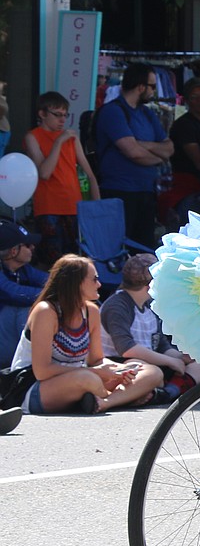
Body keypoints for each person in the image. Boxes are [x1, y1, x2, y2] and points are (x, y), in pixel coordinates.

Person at [10, 254, 163, 414]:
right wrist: (98, 372)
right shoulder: (46, 311)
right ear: (75, 283)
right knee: (88, 379)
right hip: (35, 386)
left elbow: (96, 359)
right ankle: (128, 398)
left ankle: (106, 403)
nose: (99, 284)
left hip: (83, 377)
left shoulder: (91, 311)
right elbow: (42, 371)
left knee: (150, 370)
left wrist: (119, 370)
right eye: (94, 279)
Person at [99, 253, 200, 402]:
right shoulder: (117, 305)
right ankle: (173, 390)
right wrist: (169, 361)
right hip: (123, 363)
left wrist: (181, 357)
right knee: (151, 372)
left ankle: (164, 393)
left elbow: (160, 344)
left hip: (153, 362)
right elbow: (127, 349)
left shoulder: (148, 305)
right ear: (150, 286)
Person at [94, 62, 174, 249]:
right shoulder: (113, 111)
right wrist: (158, 155)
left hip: (146, 192)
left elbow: (169, 148)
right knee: (117, 248)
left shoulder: (147, 113)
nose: (155, 91)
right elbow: (133, 152)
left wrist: (141, 143)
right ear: (140, 87)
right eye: (153, 86)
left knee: (143, 249)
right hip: (119, 192)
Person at [24, 91, 101, 265]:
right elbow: (45, 172)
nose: (62, 120)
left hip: (73, 206)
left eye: (65, 115)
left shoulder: (71, 138)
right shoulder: (33, 136)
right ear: (42, 114)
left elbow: (89, 174)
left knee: (74, 261)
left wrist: (97, 206)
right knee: (53, 263)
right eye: (57, 115)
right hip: (48, 206)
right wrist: (58, 142)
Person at [1, 222, 49, 366]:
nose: (33, 247)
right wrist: (55, 294)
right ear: (13, 251)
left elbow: (50, 280)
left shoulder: (23, 268)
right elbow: (13, 293)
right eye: (27, 245)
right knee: (24, 309)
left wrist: (68, 288)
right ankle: (28, 366)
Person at [166, 78, 200, 210]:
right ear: (187, 101)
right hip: (187, 187)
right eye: (194, 97)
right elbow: (199, 162)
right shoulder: (184, 125)